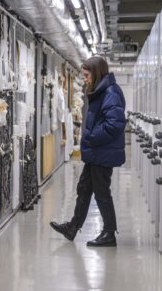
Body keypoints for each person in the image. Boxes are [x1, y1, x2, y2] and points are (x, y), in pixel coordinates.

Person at [50, 56, 126, 247]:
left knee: (101, 193)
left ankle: (109, 233)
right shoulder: (101, 91)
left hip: (102, 152)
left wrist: (90, 137)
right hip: (96, 152)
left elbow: (114, 124)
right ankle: (73, 227)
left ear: (96, 72)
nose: (85, 79)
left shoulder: (110, 92)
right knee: (84, 188)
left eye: (86, 75)